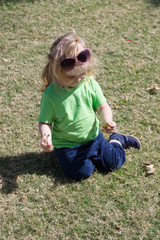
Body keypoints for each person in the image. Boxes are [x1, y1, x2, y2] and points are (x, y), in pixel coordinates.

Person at [38, 31, 141, 181]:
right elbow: (45, 121)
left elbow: (103, 107)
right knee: (81, 173)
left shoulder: (89, 84)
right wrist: (45, 137)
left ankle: (117, 140)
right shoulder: (51, 95)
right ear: (56, 69)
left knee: (113, 163)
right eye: (71, 76)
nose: (78, 79)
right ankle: (88, 159)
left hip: (94, 138)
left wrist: (107, 121)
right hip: (68, 146)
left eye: (83, 73)